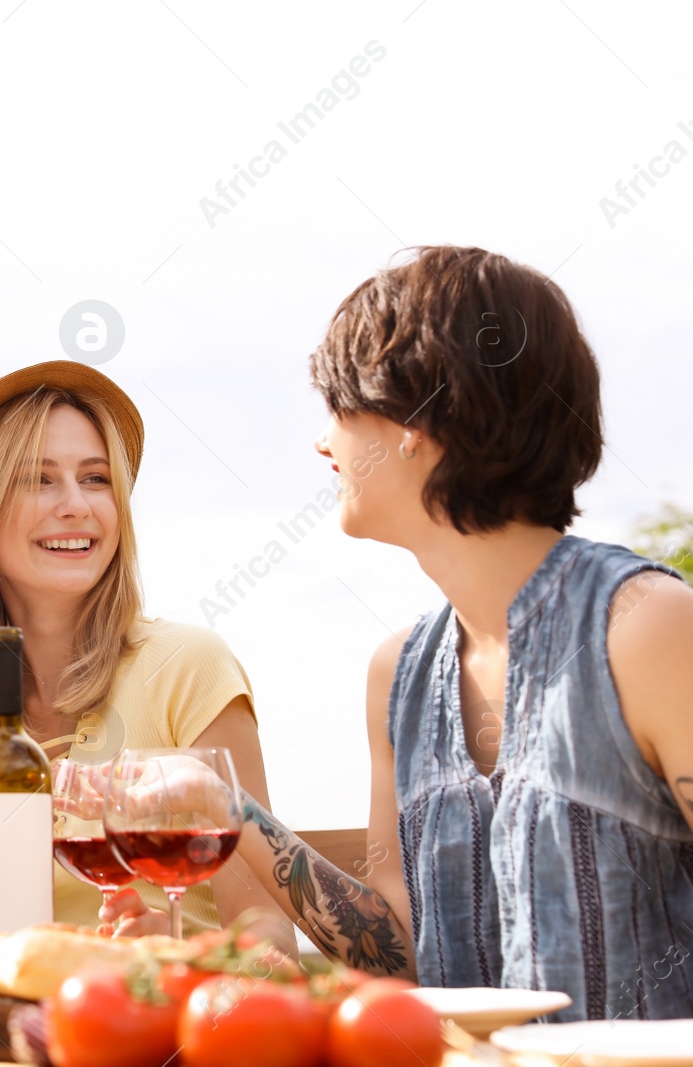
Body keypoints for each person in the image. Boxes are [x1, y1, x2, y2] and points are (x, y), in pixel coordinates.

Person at [231, 246, 693, 1020]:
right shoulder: (396, 675)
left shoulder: (646, 628)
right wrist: (229, 814)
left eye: (340, 409)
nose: (323, 443)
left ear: (415, 421)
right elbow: (398, 946)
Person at [0, 360, 291, 939]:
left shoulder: (188, 668)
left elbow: (268, 936)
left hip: (175, 1019)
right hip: (16, 1026)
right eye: (39, 479)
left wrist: (172, 951)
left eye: (96, 478)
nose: (76, 505)